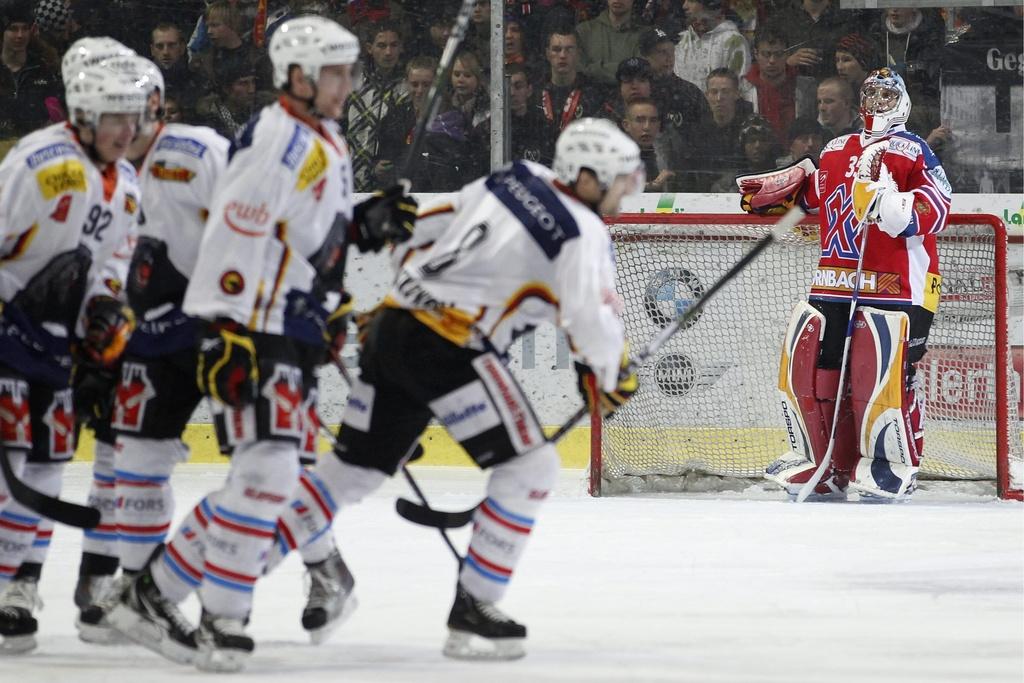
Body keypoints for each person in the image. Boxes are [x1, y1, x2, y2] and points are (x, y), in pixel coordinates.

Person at [235, 118, 642, 661]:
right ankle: (474, 609)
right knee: (531, 467)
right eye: (617, 180)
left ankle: (227, 580)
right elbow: (591, 317)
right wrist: (609, 376)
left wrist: (408, 286)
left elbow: (423, 224)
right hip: (448, 346)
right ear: (587, 177)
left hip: (393, 325)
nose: (623, 192)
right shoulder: (583, 230)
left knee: (348, 473)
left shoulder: (516, 176)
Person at [107, 16, 416, 671]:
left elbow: (305, 236)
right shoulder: (278, 138)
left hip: (290, 322)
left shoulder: (323, 136)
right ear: (298, 76)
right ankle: (202, 609)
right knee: (266, 472)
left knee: (269, 475)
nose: (347, 82)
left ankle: (180, 602)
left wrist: (361, 227)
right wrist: (225, 329)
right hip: (258, 326)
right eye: (334, 71)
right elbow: (234, 235)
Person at [739, 68, 951, 502]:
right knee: (815, 372)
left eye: (886, 95)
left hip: (900, 285)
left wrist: (888, 203)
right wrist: (778, 191)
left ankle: (891, 467)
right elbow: (812, 194)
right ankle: (823, 463)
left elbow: (938, 208)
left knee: (884, 376)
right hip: (834, 281)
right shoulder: (836, 148)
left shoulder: (914, 150)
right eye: (871, 94)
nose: (877, 102)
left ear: (903, 101)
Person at [0, 50, 147, 654]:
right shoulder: (39, 161)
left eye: (134, 116)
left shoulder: (128, 183)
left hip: (58, 343)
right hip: (9, 326)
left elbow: (114, 261)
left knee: (46, 465)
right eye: (115, 116)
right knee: (12, 465)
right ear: (84, 114)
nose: (127, 129)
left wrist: (107, 309)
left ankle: (14, 590)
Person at [344, 19, 406, 192]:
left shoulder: (408, 86)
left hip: (385, 181)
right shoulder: (352, 79)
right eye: (381, 45)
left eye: (394, 45)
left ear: (401, 47)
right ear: (369, 48)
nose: (388, 52)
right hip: (347, 177)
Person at [535, 27, 608, 163]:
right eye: (556, 49)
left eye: (569, 49)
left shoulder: (594, 94)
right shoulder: (534, 93)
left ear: (578, 54)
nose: (562, 55)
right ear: (547, 54)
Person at [741, 26, 815, 143]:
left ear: (788, 54)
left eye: (779, 54)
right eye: (766, 54)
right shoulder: (742, 89)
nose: (772, 60)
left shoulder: (807, 88)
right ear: (755, 54)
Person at [0, 0, 62, 139]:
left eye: (25, 28)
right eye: (13, 29)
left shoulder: (45, 68)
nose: (20, 35)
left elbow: (57, 114)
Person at [373, 55, 435, 187]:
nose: (420, 90)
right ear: (406, 83)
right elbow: (385, 154)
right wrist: (377, 167)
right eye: (414, 84)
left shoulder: (449, 117)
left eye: (426, 84)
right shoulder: (395, 116)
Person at [674, 0, 751, 93]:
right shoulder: (681, 40)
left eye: (692, 1)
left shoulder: (733, 41)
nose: (684, 6)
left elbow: (741, 89)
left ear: (710, 4)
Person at [576, 0, 643, 86]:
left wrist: (594, 70)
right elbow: (578, 71)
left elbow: (640, 70)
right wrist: (625, 69)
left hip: (631, 96)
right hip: (588, 95)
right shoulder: (583, 31)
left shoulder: (646, 34)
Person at [621, 97, 678, 192]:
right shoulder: (613, 156)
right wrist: (653, 185)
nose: (647, 127)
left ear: (659, 125)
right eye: (640, 120)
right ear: (626, 125)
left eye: (653, 120)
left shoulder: (668, 155)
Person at [149, 23, 203, 119]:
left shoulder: (199, 84)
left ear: (182, 48)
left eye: (171, 45)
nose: (165, 52)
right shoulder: (140, 86)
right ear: (152, 50)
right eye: (160, 46)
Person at [195, 60, 258, 140]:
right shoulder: (209, 119)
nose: (251, 90)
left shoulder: (261, 111)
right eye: (243, 84)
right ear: (226, 89)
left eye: (253, 82)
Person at [507, 63, 551, 165]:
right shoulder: (487, 130)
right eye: (506, 87)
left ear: (529, 90)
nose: (512, 93)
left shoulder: (544, 129)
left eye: (518, 86)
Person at [816, 76, 861, 140]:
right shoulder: (814, 133)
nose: (822, 108)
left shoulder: (867, 132)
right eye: (819, 102)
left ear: (846, 103)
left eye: (828, 102)